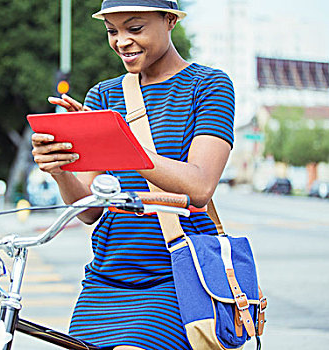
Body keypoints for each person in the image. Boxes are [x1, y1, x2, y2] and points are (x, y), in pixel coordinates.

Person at [31, 1, 234, 349]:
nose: (121, 41)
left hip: (175, 277)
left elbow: (200, 186)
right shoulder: (103, 95)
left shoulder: (209, 86)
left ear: (169, 20)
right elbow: (89, 210)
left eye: (134, 28)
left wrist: (115, 142)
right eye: (112, 31)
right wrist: (61, 168)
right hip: (105, 279)